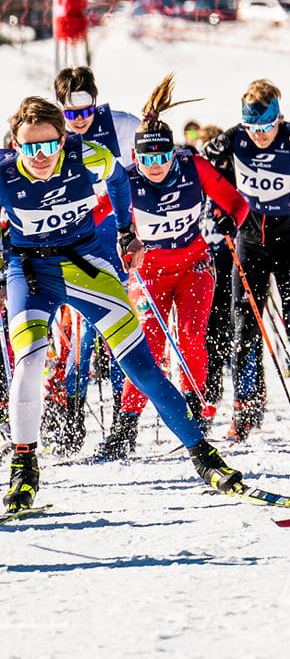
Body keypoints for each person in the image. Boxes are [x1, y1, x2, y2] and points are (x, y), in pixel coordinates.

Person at [3, 97, 247, 513]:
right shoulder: (4, 173)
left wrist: (123, 230)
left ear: (64, 140)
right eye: (29, 148)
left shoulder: (89, 156)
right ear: (16, 145)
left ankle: (204, 457)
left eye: (48, 147)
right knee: (29, 361)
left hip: (86, 268)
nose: (39, 158)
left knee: (142, 365)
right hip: (29, 274)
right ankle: (25, 466)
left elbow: (117, 181)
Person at [101, 78, 251, 458]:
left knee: (190, 336)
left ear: (172, 152)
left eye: (162, 157)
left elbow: (238, 204)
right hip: (149, 271)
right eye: (147, 159)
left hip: (193, 265)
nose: (156, 167)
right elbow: (87, 216)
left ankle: (196, 420)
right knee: (145, 345)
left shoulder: (192, 165)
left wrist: (227, 221)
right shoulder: (126, 180)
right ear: (135, 157)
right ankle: (125, 427)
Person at [200, 79, 290, 438]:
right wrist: (213, 170)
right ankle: (245, 406)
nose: (259, 135)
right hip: (249, 243)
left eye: (266, 127)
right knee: (243, 326)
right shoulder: (233, 137)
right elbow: (206, 176)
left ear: (279, 117)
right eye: (252, 127)